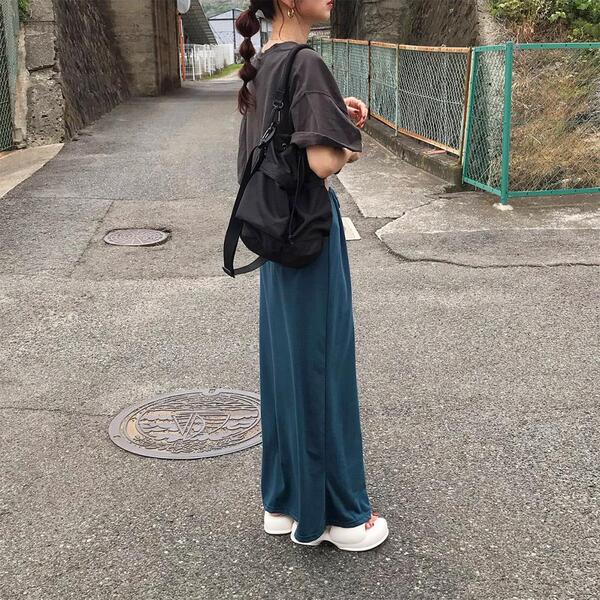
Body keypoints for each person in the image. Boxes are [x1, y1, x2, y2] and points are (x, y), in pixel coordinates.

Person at [234, 0, 389, 552]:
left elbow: (277, 143)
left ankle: (283, 502)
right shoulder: (306, 62)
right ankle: (341, 517)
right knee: (324, 368)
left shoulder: (263, 61)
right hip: (310, 234)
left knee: (286, 369)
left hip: (274, 236)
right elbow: (323, 161)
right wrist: (345, 139)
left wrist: (333, 116)